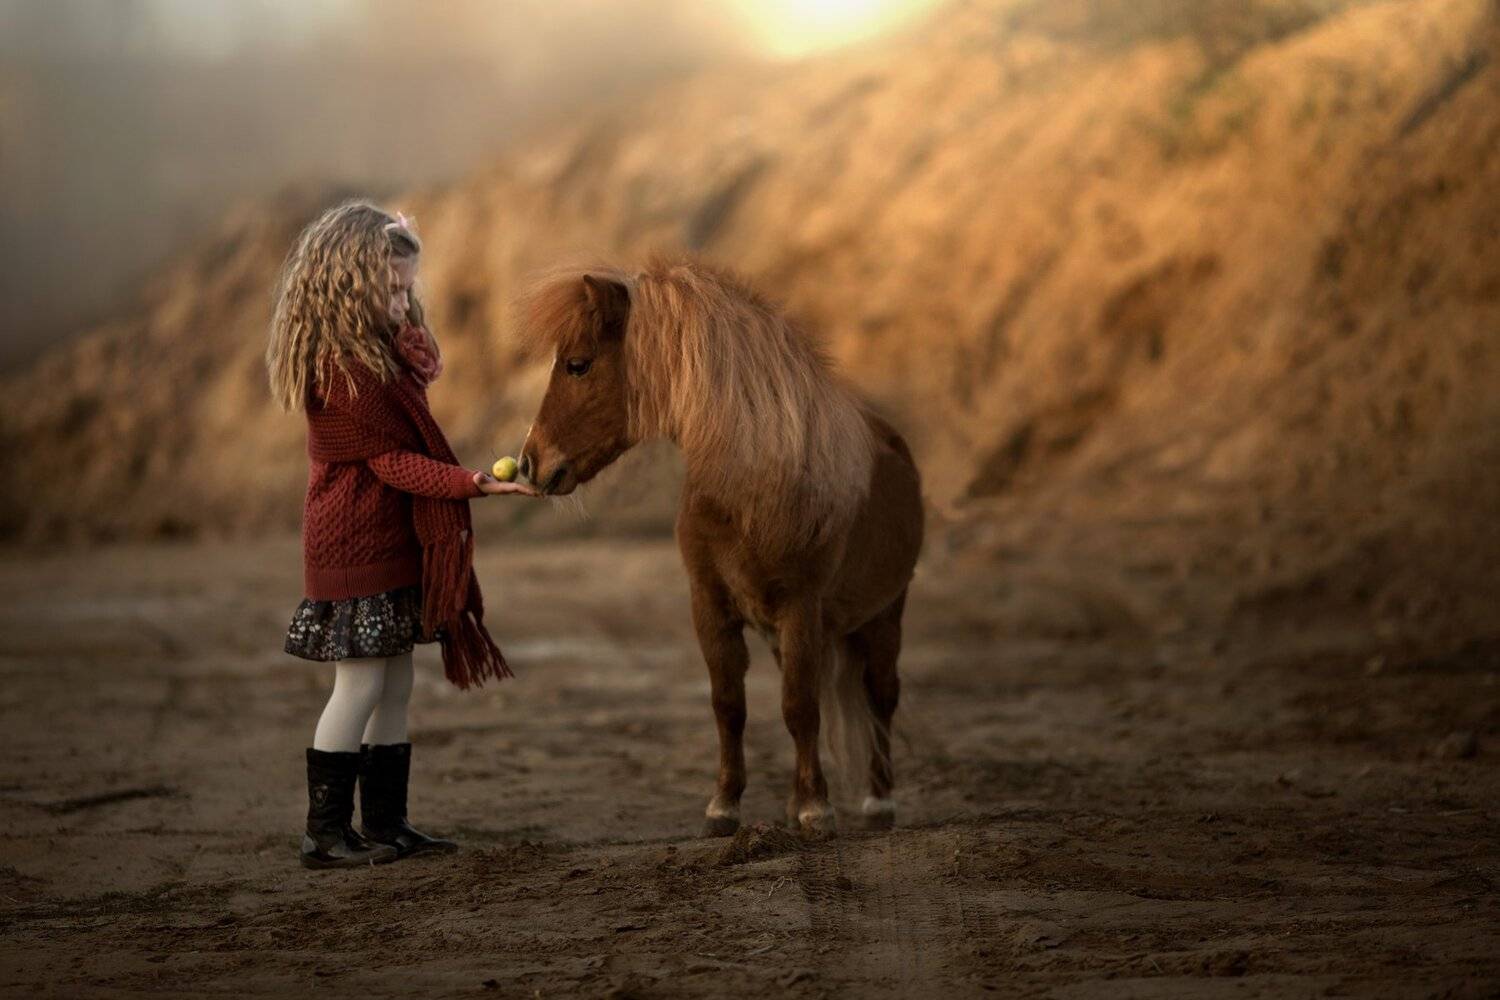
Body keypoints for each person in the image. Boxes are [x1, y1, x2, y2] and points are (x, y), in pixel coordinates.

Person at [265, 201, 535, 869]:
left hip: (391, 546)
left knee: (393, 688)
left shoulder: (380, 356)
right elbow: (395, 463)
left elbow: (408, 420)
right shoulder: (342, 371)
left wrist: (400, 244)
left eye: (407, 284)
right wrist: (475, 483)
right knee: (356, 689)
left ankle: (386, 824)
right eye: (389, 285)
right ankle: (324, 836)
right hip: (354, 548)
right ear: (347, 284)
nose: (402, 295)